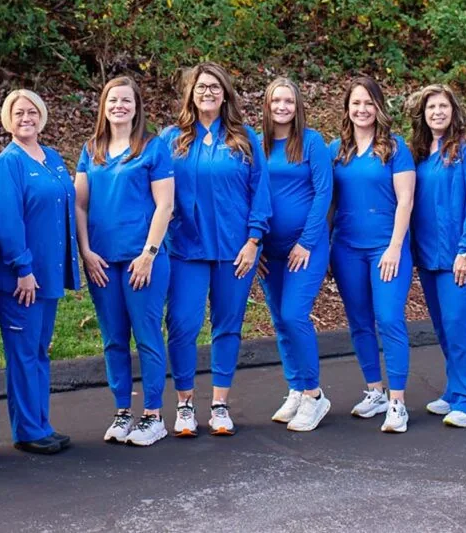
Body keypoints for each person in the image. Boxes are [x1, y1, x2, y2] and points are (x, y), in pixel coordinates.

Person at [160, 62, 271, 437]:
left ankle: (220, 405)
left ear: (226, 94)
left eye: (215, 87)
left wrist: (254, 240)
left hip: (234, 251)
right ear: (190, 93)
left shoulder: (244, 139)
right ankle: (186, 404)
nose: (207, 93)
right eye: (201, 87)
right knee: (182, 325)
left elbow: (261, 191)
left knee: (227, 326)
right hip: (184, 250)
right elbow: (154, 191)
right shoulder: (171, 140)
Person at [74, 76, 174, 446]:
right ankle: (121, 411)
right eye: (112, 100)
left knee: (147, 336)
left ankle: (152, 415)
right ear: (103, 105)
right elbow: (80, 205)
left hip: (141, 260)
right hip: (103, 261)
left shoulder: (152, 148)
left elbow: (165, 204)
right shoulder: (92, 149)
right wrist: (86, 251)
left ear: (136, 106)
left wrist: (149, 254)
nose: (119, 105)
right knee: (113, 339)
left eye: (126, 100)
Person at [0, 89, 80, 455]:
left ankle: (41, 422)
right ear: (7, 119)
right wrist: (22, 268)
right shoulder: (8, 162)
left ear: (42, 117)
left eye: (32, 112)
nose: (25, 118)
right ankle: (28, 430)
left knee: (40, 350)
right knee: (24, 353)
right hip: (22, 278)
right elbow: (8, 222)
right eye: (18, 112)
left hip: (50, 274)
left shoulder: (53, 157)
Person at [328, 77, 416, 434]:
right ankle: (375, 391)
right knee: (359, 322)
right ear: (347, 108)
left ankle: (397, 402)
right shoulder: (337, 150)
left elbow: (406, 201)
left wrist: (395, 246)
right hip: (347, 248)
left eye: (368, 103)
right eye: (356, 103)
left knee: (390, 319)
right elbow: (329, 203)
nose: (361, 109)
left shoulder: (395, 149)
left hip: (386, 249)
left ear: (378, 107)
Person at [408, 84, 466, 428]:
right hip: (429, 254)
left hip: (463, 253)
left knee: (459, 322)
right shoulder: (419, 151)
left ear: (453, 109)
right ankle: (454, 389)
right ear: (423, 114)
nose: (437, 113)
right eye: (431, 108)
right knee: (444, 326)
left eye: (443, 106)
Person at [256, 78, 333, 432]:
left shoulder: (312, 142)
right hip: (269, 251)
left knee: (294, 314)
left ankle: (315, 396)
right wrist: (254, 243)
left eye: (288, 100)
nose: (282, 106)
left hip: (306, 248)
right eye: (276, 101)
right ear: (268, 106)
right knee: (280, 320)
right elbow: (250, 195)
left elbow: (323, 194)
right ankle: (297, 388)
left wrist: (307, 241)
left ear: (297, 105)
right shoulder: (260, 145)